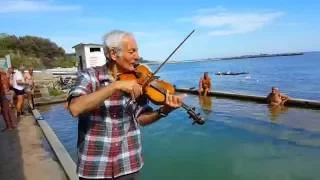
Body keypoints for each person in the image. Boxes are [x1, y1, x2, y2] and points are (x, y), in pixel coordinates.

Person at [67, 30, 183, 180]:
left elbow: (141, 118)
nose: (137, 56)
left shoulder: (138, 81)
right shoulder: (89, 76)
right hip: (95, 168)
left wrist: (163, 111)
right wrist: (115, 86)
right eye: (132, 51)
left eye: (137, 51)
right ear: (114, 54)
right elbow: (75, 108)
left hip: (129, 165)